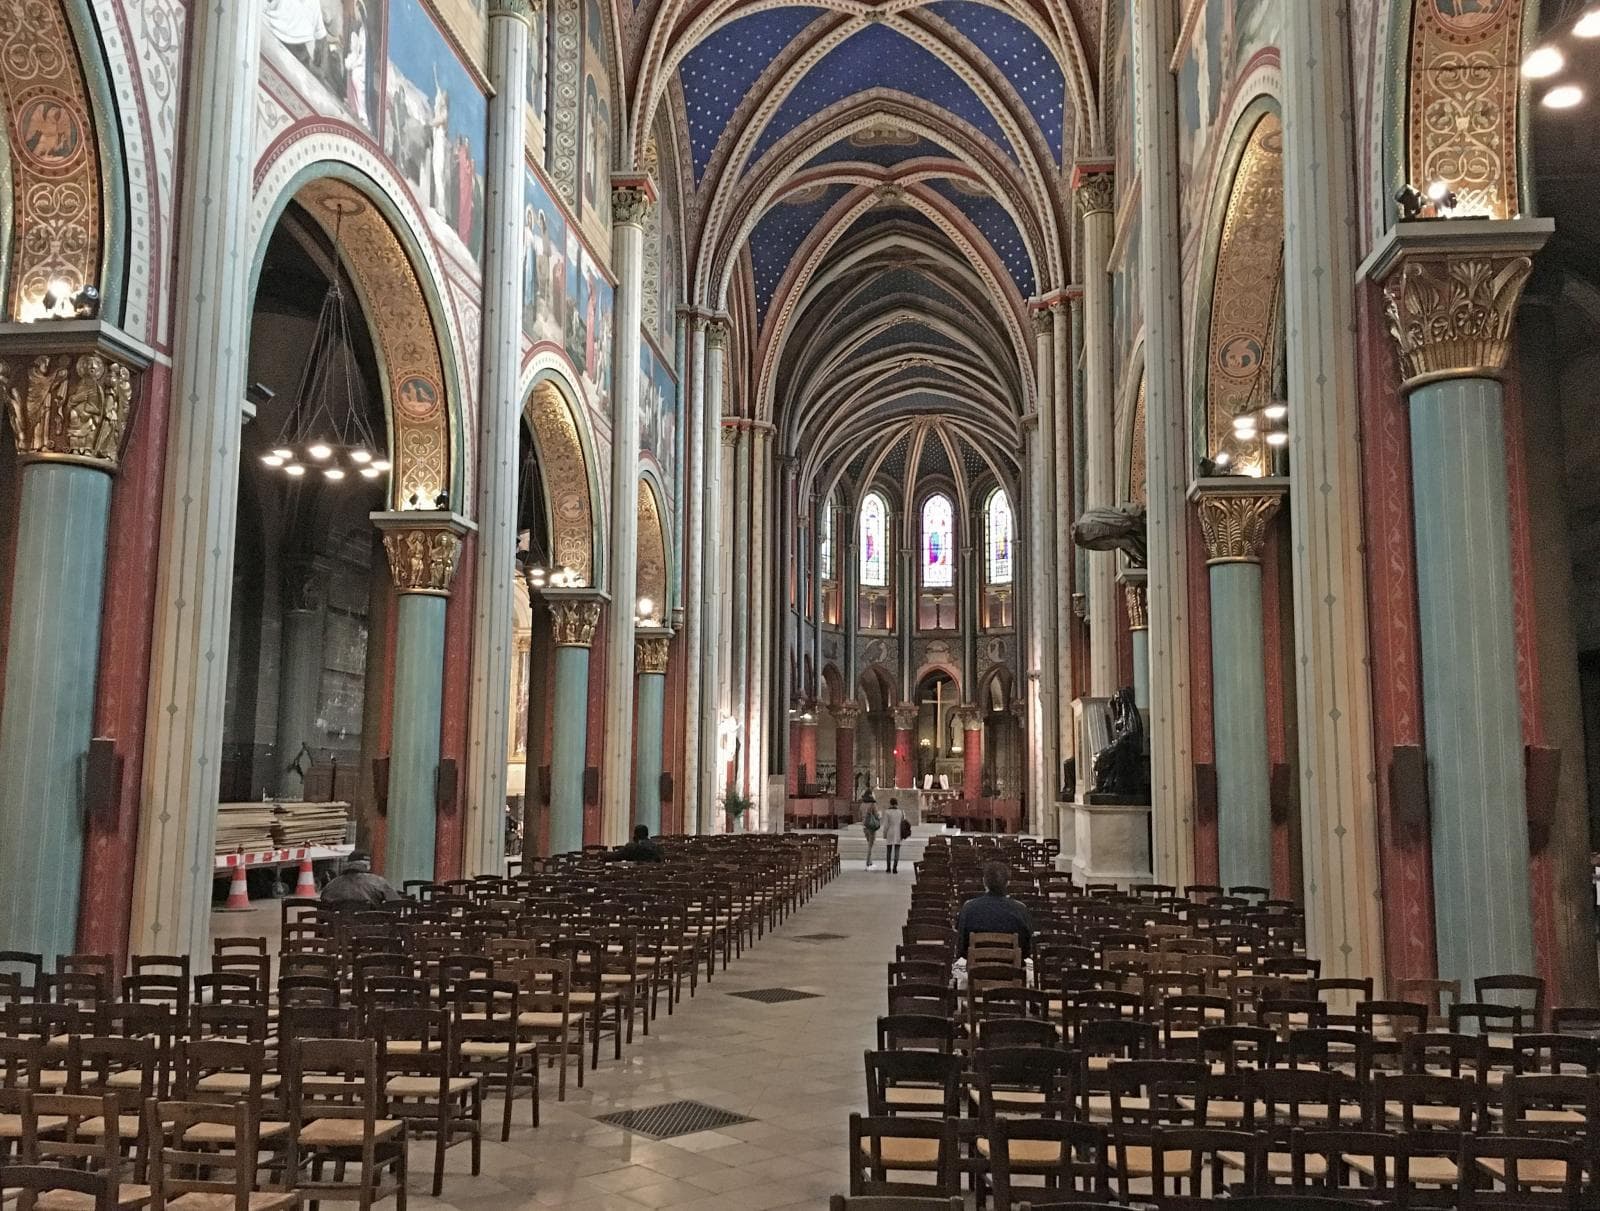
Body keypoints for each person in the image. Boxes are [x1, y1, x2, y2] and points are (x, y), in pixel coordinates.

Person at [956, 861, 1034, 958]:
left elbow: (961, 947)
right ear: (1008, 883)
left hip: (976, 970)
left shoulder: (968, 908)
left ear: (984, 881)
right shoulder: (1021, 910)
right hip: (1011, 970)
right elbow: (1026, 949)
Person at [320, 853, 402, 906]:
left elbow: (323, 907)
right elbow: (396, 902)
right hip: (370, 929)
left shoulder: (331, 884)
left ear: (348, 864)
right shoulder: (378, 881)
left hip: (338, 929)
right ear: (367, 866)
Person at [881, 798, 905, 874]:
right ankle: (895, 868)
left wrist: (884, 834)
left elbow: (886, 825)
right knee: (897, 851)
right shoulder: (901, 812)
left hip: (890, 832)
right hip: (898, 833)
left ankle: (888, 868)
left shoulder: (887, 812)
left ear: (890, 803)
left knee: (889, 851)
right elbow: (903, 823)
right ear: (897, 804)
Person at [862, 801, 881, 869]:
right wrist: (879, 816)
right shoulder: (873, 805)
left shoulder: (863, 804)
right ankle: (868, 862)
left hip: (865, 827)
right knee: (870, 846)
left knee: (869, 844)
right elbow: (876, 815)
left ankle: (870, 861)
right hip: (871, 828)